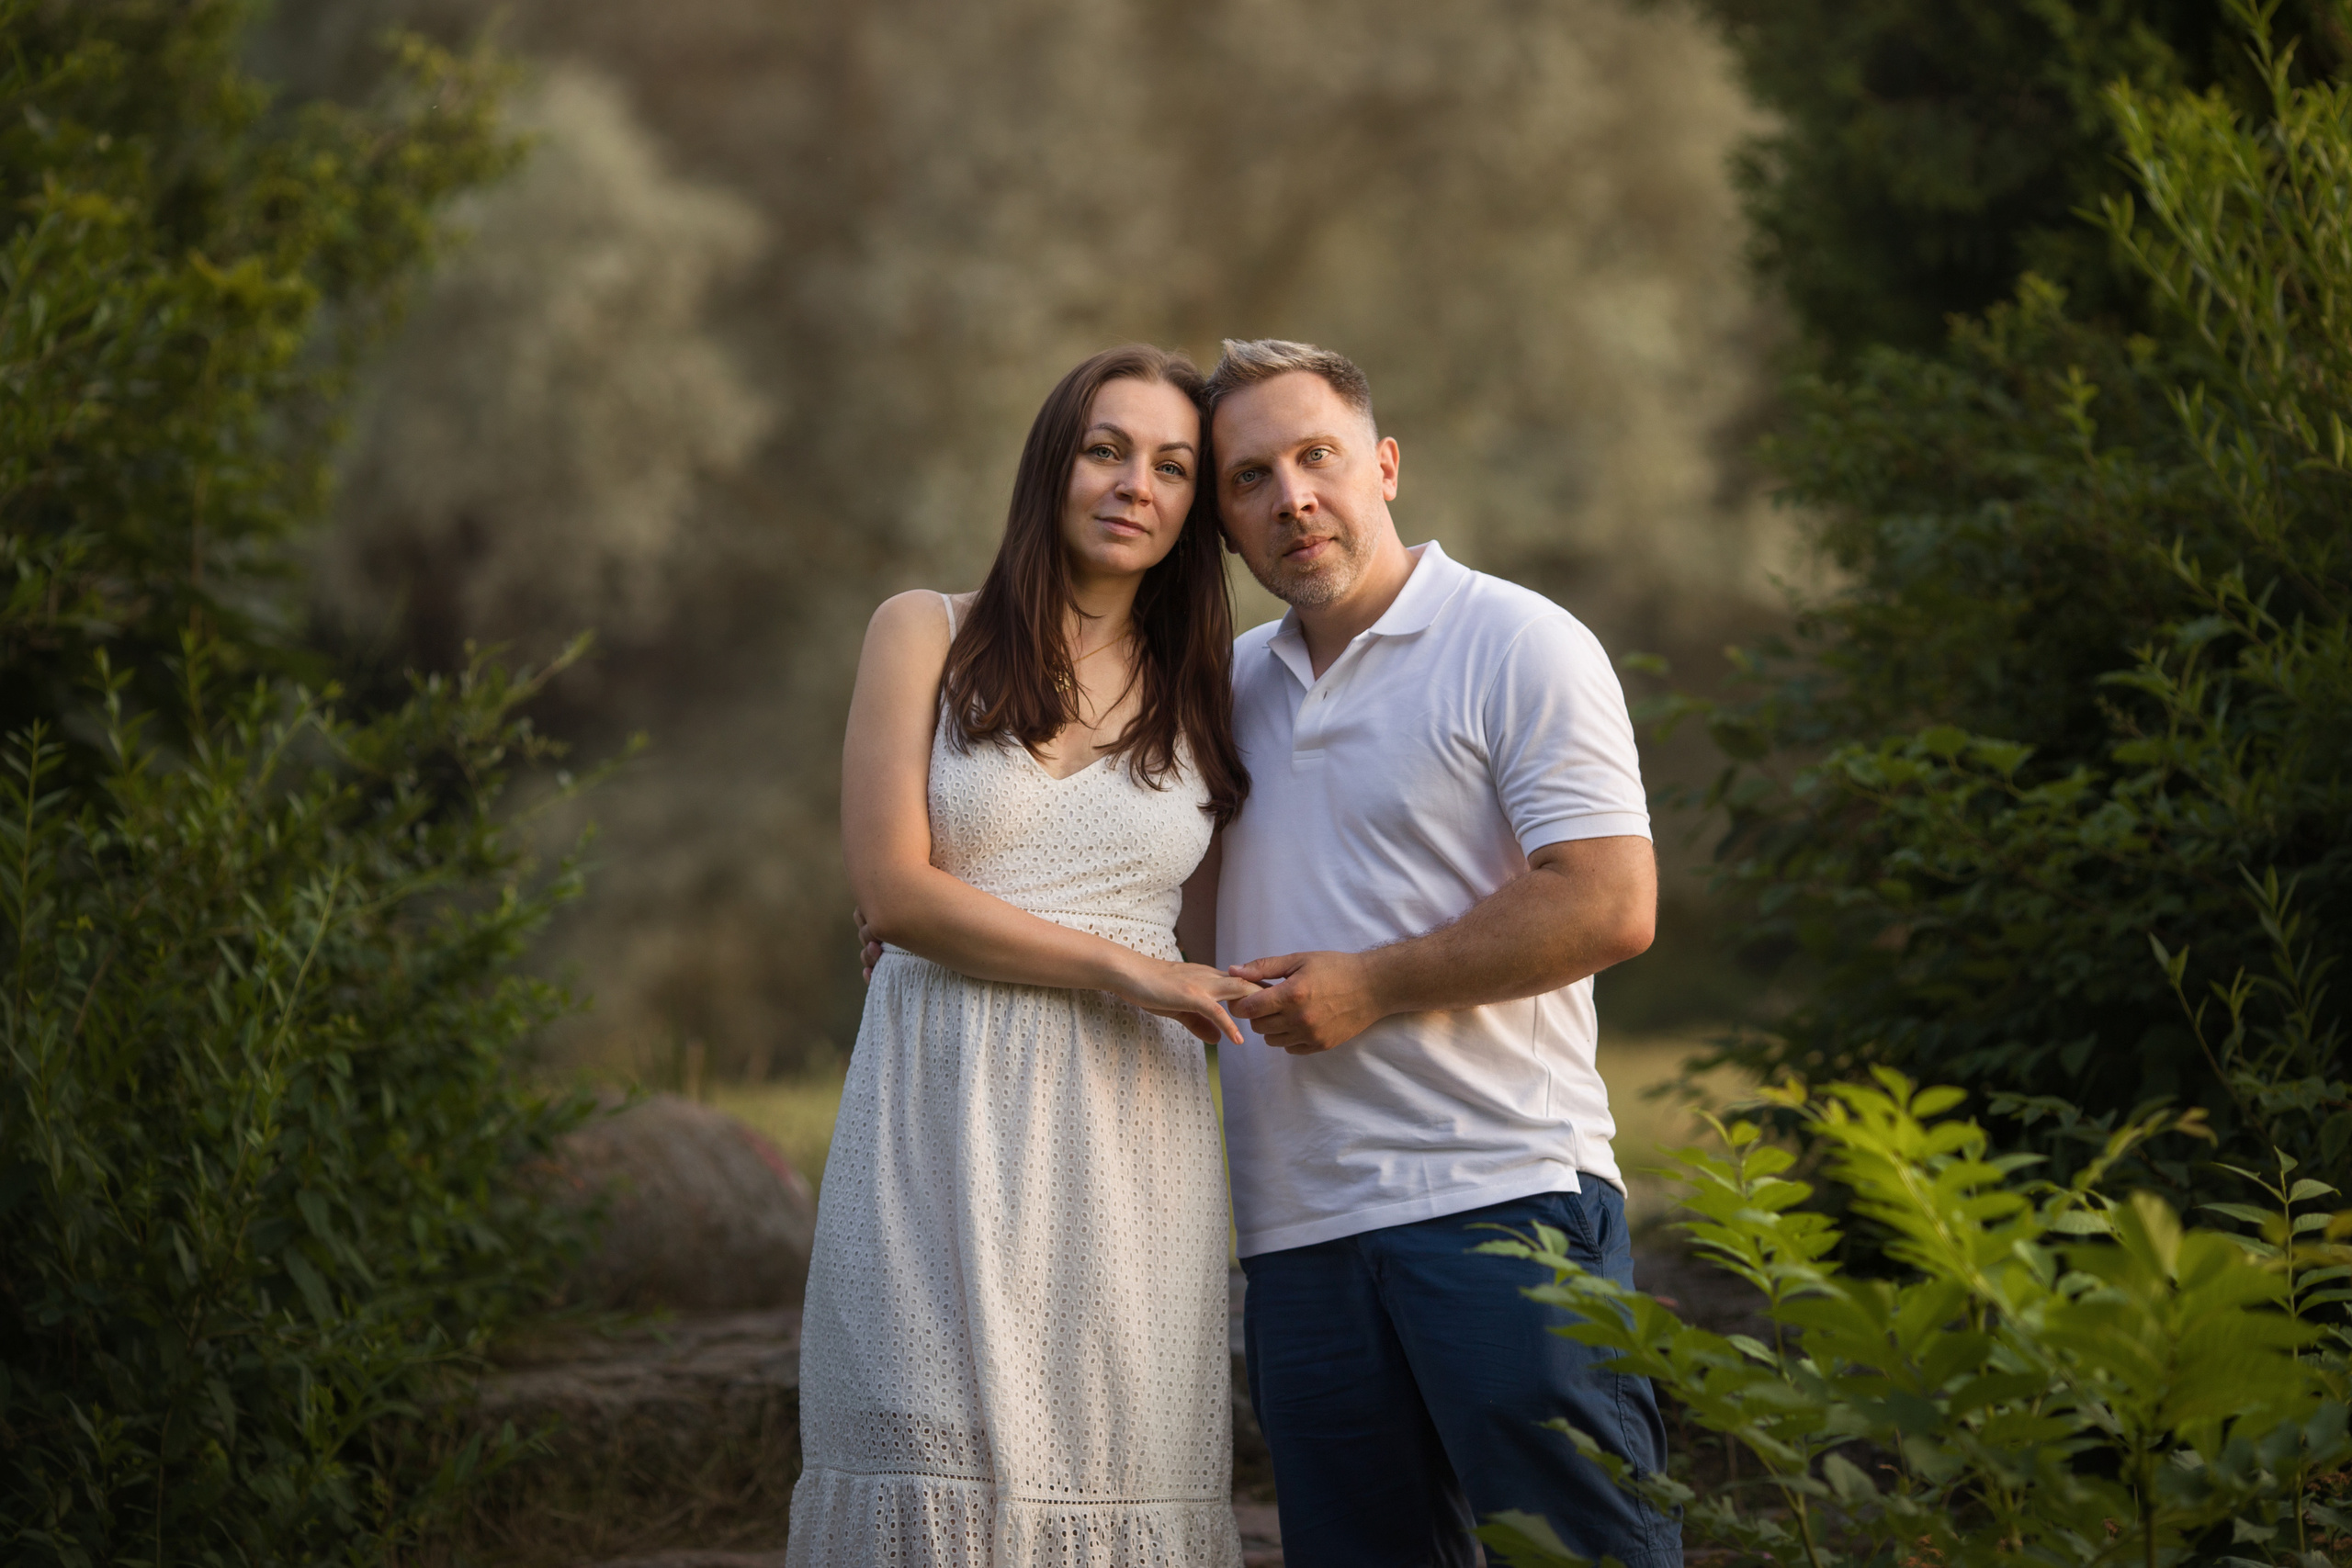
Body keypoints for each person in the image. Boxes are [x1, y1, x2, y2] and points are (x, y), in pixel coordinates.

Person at [1202, 339, 1682, 1568]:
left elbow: (1612, 902)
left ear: (1387, 465)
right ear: (1224, 519)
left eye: (1318, 457)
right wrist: (933, 912)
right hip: (1295, 1226)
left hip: (1497, 1196)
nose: (1291, 497)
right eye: (1251, 477)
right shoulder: (1220, 690)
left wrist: (1374, 983)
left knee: (1585, 1555)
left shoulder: (1518, 642)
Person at [791, 344, 1256, 1567]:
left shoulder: (1209, 692)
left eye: (1172, 467)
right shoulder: (923, 634)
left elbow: (1213, 936)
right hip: (936, 1099)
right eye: (1107, 449)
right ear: (1054, 464)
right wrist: (1134, 971)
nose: (1134, 485)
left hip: (1127, 1128)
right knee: (927, 1459)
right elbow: (895, 892)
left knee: (1111, 1467)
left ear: (1192, 508)